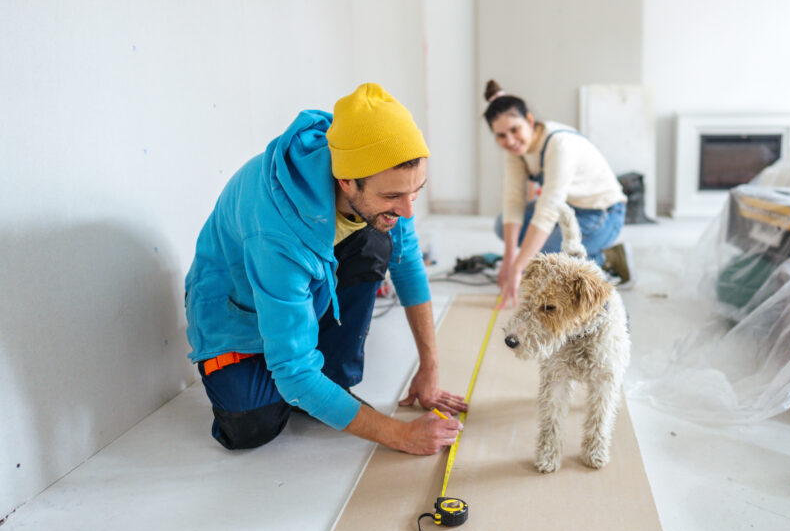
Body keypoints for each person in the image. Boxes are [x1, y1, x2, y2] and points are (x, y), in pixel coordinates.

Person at [185, 82, 466, 452]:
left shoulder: (382, 172)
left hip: (299, 292)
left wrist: (429, 366)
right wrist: (398, 434)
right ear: (346, 181)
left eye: (416, 191)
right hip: (236, 318)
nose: (408, 209)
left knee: (378, 238)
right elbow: (293, 374)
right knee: (252, 428)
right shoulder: (276, 227)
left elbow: (408, 262)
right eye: (393, 196)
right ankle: (308, 381)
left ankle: (328, 380)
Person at [482, 79, 633, 307]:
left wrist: (519, 267)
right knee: (502, 224)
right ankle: (584, 254)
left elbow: (547, 211)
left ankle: (605, 259)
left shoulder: (560, 144)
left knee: (543, 258)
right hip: (567, 208)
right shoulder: (515, 150)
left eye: (515, 130)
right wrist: (509, 259)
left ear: (530, 121)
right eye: (501, 136)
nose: (510, 141)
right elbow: (513, 201)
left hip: (602, 213)